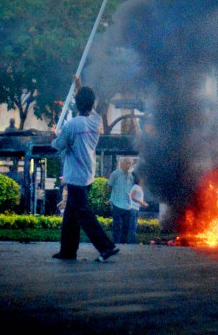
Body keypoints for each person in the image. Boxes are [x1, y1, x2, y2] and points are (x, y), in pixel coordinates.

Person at [51, 86, 119, 262]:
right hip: (87, 174)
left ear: (76, 104)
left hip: (75, 176)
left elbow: (58, 145)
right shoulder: (96, 121)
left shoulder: (71, 125)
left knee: (83, 214)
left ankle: (106, 246)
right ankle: (67, 251)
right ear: (92, 103)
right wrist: (79, 86)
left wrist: (55, 134)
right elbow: (89, 104)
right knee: (70, 216)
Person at [108, 157, 135, 244]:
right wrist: (112, 198)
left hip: (128, 205)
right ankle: (116, 243)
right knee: (117, 225)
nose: (129, 165)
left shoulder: (131, 176)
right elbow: (109, 187)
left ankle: (124, 244)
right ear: (122, 164)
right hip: (117, 203)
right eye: (127, 163)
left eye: (130, 163)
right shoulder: (115, 174)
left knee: (126, 226)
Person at [128, 174, 148, 243]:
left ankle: (132, 240)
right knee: (133, 225)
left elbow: (137, 197)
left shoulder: (139, 187)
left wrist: (142, 203)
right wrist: (141, 203)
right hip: (133, 208)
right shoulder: (136, 187)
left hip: (136, 208)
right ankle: (132, 241)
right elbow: (132, 196)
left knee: (134, 225)